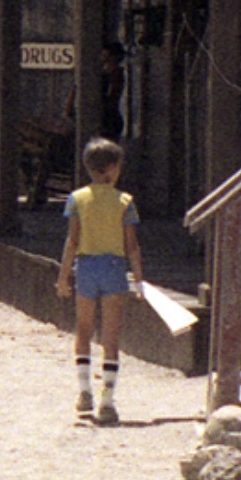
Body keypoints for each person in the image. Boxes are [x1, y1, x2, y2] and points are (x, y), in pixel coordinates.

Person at [55, 136, 144, 425]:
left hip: (86, 268)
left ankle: (84, 393)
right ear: (114, 168)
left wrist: (63, 276)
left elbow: (72, 240)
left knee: (83, 330)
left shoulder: (77, 199)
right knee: (111, 336)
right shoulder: (125, 202)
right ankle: (107, 400)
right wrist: (139, 278)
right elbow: (132, 246)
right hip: (114, 269)